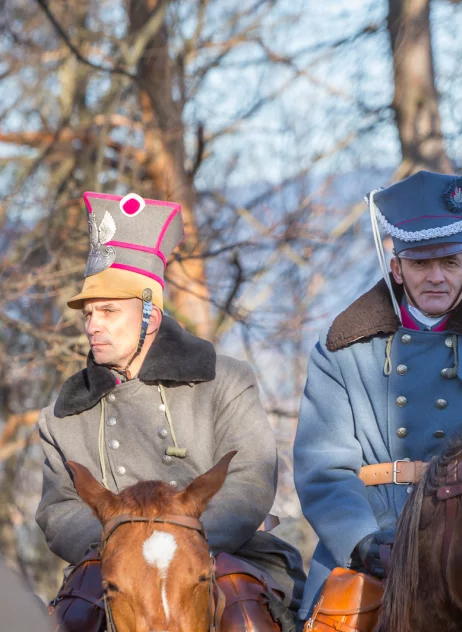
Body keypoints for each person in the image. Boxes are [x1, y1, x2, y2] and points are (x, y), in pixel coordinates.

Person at [293, 170, 462, 621]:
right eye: (420, 264)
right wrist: (361, 541)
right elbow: (323, 467)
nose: (436, 277)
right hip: (372, 543)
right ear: (397, 268)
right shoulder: (341, 351)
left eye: (450, 263)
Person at [35, 191, 303, 630]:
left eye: (108, 311)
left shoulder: (227, 380)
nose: (93, 325)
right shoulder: (60, 417)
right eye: (88, 313)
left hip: (225, 550)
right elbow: (59, 508)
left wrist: (185, 541)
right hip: (111, 560)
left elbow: (251, 478)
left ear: (149, 318)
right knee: (74, 614)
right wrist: (120, 543)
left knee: (244, 610)